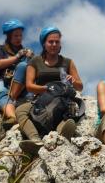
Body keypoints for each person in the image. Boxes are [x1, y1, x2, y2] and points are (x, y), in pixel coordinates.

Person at [16, 26, 83, 155]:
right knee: (20, 111)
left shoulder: (68, 62)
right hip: (41, 99)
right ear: (44, 44)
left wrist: (72, 81)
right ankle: (35, 140)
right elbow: (29, 86)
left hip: (62, 100)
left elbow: (80, 86)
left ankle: (60, 135)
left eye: (57, 42)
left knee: (64, 115)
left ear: (60, 44)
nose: (54, 44)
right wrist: (48, 89)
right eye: (50, 42)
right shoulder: (35, 61)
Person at [0, 19, 34, 127]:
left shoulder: (25, 51)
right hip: (5, 82)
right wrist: (17, 57)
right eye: (16, 36)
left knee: (23, 66)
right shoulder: (1, 49)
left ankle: (14, 97)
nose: (19, 38)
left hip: (22, 86)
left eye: (20, 35)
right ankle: (12, 117)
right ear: (9, 36)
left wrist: (32, 58)